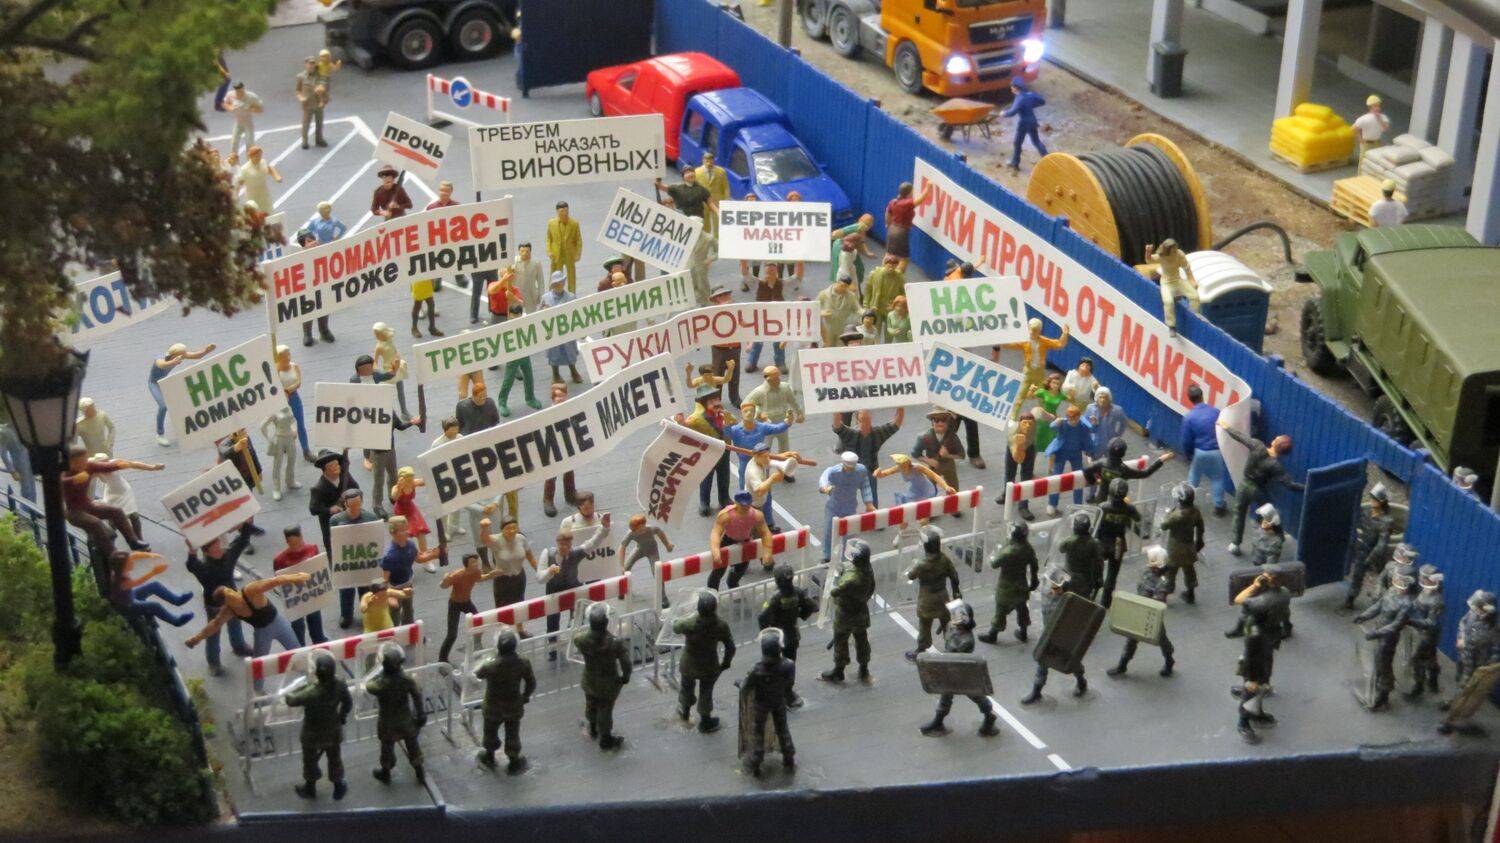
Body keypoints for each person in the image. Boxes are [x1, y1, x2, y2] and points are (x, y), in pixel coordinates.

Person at [185, 572, 310, 682]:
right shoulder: (229, 611)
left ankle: (310, 674)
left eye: (230, 591)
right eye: (229, 596)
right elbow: (215, 624)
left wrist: (297, 577)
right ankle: (257, 691)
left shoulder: (250, 590)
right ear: (225, 603)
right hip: (262, 632)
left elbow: (274, 581)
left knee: (296, 649)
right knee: (258, 664)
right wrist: (197, 638)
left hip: (278, 623)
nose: (233, 594)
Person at [1218, 420, 1304, 555]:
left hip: (1244, 485)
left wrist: (1226, 427)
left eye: (1278, 438)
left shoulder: (1257, 445)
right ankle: (1279, 536)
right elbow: (1290, 485)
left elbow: (1240, 437)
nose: (1276, 437)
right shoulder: (1276, 466)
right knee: (1270, 513)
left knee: (1239, 513)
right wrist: (1306, 487)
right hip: (1258, 490)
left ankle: (1235, 544)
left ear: (1275, 443)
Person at [919, 601, 999, 737]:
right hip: (949, 669)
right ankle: (938, 721)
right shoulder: (951, 626)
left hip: (961, 672)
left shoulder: (967, 640)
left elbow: (957, 655)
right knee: (945, 696)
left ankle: (989, 716)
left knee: (976, 695)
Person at [185, 525, 254, 675]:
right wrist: (191, 551)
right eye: (215, 544)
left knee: (235, 624)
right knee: (213, 632)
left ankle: (239, 646)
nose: (219, 546)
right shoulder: (205, 567)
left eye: (218, 542)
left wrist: (246, 525)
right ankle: (214, 662)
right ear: (207, 551)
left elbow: (242, 541)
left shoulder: (227, 557)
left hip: (232, 600)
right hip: (214, 605)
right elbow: (191, 565)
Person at [62, 446, 159, 552]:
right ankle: (112, 552)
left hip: (88, 506)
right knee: (96, 523)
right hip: (75, 512)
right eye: (80, 462)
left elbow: (105, 467)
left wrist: (119, 465)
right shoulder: (65, 472)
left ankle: (133, 541)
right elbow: (59, 483)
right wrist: (73, 479)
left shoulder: (88, 466)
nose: (84, 463)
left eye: (85, 459)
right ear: (71, 462)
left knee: (116, 511)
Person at [286, 651, 352, 800]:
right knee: (335, 758)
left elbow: (290, 700)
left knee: (310, 760)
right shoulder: (340, 685)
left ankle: (310, 787)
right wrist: (342, 716)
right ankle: (338, 786)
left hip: (312, 734)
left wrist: (301, 686)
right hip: (333, 731)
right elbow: (348, 703)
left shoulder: (311, 691)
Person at [1233, 571, 1290, 744]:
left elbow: (1239, 599)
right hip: (1267, 642)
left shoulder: (1262, 602)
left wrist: (1255, 586)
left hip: (1259, 643)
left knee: (1254, 684)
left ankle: (1248, 718)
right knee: (1256, 683)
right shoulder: (1284, 593)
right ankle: (1246, 719)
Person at [1354, 563, 1418, 711]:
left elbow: (1396, 625)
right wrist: (1364, 616)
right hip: (1379, 629)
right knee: (1378, 661)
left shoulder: (1407, 603)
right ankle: (1380, 684)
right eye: (1397, 578)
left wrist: (1375, 633)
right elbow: (1378, 606)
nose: (1396, 580)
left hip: (1388, 638)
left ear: (1408, 582)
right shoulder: (1391, 591)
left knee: (1384, 664)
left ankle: (1384, 695)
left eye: (1400, 579)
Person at [1021, 565, 1087, 704]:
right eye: (1054, 586)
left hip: (1064, 636)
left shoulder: (1069, 601)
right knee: (1042, 661)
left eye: (1058, 588)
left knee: (1072, 660)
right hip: (1049, 633)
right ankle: (1036, 691)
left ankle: (1081, 681)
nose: (1054, 589)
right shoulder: (1047, 593)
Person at [1107, 546, 1176, 678]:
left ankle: (1169, 660)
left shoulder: (1163, 581)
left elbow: (1159, 601)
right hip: (1140, 610)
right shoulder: (1146, 571)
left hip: (1152, 614)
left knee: (1161, 638)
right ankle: (1122, 665)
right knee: (1131, 639)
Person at [474, 628, 536, 773]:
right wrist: (525, 696)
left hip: (492, 706)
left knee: (490, 731)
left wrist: (487, 658)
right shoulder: (523, 662)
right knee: (512, 733)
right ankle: (514, 760)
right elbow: (531, 683)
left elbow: (478, 673)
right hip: (513, 706)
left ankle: (489, 755)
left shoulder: (490, 665)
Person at [674, 590, 736, 733]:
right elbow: (730, 646)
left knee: (686, 687)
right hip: (709, 664)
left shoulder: (690, 622)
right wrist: (725, 662)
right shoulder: (720, 625)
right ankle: (705, 720)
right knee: (706, 692)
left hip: (689, 662)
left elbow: (676, 627)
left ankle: (685, 711)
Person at [757, 565, 818, 707]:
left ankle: (775, 690)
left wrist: (766, 633)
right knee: (790, 664)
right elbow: (812, 606)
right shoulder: (797, 592)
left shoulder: (776, 597)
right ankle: (788, 692)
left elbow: (762, 617)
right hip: (792, 635)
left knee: (773, 664)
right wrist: (802, 614)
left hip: (776, 637)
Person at [574, 602, 631, 750]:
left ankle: (592, 727)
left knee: (591, 703)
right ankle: (605, 739)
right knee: (605, 710)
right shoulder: (615, 643)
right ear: (606, 623)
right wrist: (625, 677)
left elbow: (576, 637)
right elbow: (626, 663)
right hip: (608, 683)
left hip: (589, 680)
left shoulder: (581, 640)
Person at [367, 645, 427, 784]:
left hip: (387, 723)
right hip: (406, 720)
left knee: (387, 749)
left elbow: (369, 686)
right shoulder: (407, 679)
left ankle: (386, 772)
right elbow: (417, 696)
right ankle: (419, 771)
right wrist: (421, 714)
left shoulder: (381, 683)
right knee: (413, 746)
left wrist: (378, 673)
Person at [821, 537, 876, 683]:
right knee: (861, 639)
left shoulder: (851, 579)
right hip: (861, 611)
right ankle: (864, 669)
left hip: (845, 613)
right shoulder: (867, 569)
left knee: (840, 640)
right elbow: (871, 588)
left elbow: (835, 591)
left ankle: (839, 670)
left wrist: (832, 581)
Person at [743, 630, 797, 776]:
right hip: (778, 701)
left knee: (758, 731)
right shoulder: (788, 665)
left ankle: (756, 758)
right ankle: (788, 755)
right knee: (782, 728)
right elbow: (790, 682)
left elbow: (746, 686)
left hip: (761, 704)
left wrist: (740, 684)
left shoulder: (756, 669)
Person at [538, 524, 607, 637]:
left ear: (571, 544)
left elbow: (593, 543)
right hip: (553, 590)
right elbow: (539, 578)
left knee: (578, 617)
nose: (565, 548)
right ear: (557, 542)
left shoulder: (576, 553)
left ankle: (577, 637)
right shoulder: (548, 554)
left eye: (568, 545)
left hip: (573, 587)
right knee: (552, 622)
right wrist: (549, 572)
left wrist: (604, 528)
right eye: (562, 545)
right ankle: (552, 643)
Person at [906, 526, 962, 659]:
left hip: (927, 600)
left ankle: (921, 649)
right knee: (947, 624)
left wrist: (912, 566)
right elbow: (954, 576)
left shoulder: (921, 564)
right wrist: (956, 592)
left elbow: (910, 576)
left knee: (924, 627)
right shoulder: (944, 559)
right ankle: (952, 646)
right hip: (943, 598)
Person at [979, 521, 1039, 644]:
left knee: (1001, 611)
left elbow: (994, 564)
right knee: (1022, 610)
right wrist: (1034, 580)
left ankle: (993, 634)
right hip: (1021, 585)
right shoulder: (1028, 548)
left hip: (1006, 587)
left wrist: (996, 553)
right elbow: (1034, 565)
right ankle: (1023, 633)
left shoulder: (1008, 552)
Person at [328, 488, 380, 629]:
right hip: (346, 562)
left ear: (361, 502)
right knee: (346, 590)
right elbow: (333, 541)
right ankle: (346, 614)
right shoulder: (335, 520)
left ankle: (367, 612)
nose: (355, 507)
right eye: (351, 505)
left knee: (365, 589)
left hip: (364, 561)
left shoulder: (371, 518)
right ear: (345, 504)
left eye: (357, 504)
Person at [998, 318, 1069, 421]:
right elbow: (1009, 345)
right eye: (1030, 329)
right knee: (1020, 395)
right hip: (1028, 372)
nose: (1031, 332)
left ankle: (1045, 418)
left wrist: (1065, 334)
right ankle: (1013, 417)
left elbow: (1059, 344)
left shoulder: (1044, 341)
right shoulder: (1025, 341)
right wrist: (1000, 338)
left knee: (1043, 397)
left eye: (1035, 330)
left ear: (1039, 331)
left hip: (1040, 373)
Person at [832, 408, 903, 507]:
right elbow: (837, 426)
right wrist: (835, 409)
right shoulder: (852, 434)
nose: (866, 424)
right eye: (863, 420)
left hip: (869, 470)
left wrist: (900, 408)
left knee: (872, 497)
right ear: (858, 421)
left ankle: (873, 511)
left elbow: (896, 424)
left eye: (868, 420)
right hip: (852, 471)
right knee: (845, 495)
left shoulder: (877, 433)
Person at [147, 343, 214, 448]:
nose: (182, 357)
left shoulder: (179, 355)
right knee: (163, 406)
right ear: (173, 354)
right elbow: (161, 364)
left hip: (165, 382)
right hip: (154, 384)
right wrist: (173, 362)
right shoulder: (160, 358)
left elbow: (195, 355)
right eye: (181, 355)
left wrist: (206, 351)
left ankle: (185, 425)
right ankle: (160, 434)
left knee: (183, 399)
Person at [438, 553, 500, 663]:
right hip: (454, 604)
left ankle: (476, 645)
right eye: (473, 562)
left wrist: (490, 575)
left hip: (467, 602)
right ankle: (442, 659)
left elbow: (479, 579)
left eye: (476, 561)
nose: (476, 564)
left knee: (479, 624)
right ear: (466, 564)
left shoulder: (476, 571)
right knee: (452, 635)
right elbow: (443, 586)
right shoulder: (458, 575)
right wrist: (445, 579)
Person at [380, 516, 441, 627]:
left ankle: (408, 630)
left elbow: (418, 558)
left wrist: (433, 555)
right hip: (395, 588)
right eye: (401, 530)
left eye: (406, 529)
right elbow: (384, 580)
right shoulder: (390, 556)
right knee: (394, 614)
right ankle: (393, 633)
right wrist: (389, 595)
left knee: (409, 611)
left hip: (408, 585)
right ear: (393, 532)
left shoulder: (410, 545)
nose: (406, 533)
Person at [106, 551, 194, 626]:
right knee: (155, 606)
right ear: (123, 566)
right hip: (128, 607)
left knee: (155, 585)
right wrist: (154, 572)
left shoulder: (119, 570)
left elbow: (134, 555)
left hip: (130, 596)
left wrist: (149, 555)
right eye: (129, 562)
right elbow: (139, 581)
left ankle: (177, 600)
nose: (132, 562)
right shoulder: (123, 581)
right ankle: (176, 621)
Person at [708, 491, 774, 590]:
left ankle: (733, 584)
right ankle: (711, 591)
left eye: (747, 505)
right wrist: (715, 551)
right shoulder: (725, 515)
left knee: (741, 569)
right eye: (742, 505)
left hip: (745, 542)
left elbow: (765, 533)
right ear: (736, 503)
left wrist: (767, 552)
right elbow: (716, 532)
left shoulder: (756, 515)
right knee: (718, 571)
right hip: (727, 541)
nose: (745, 507)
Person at [273, 525, 327, 645]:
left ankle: (319, 641)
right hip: (295, 597)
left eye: (298, 543)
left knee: (315, 618)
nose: (296, 547)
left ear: (301, 537)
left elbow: (318, 567)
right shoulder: (279, 560)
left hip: (311, 592)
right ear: (287, 542)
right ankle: (299, 645)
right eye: (292, 544)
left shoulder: (312, 549)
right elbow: (278, 579)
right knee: (297, 624)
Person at [1179, 384, 1228, 515]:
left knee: (1194, 476)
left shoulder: (1189, 417)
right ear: (1202, 396)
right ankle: (1219, 506)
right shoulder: (1216, 412)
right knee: (1217, 478)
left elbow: (1186, 440)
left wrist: (1188, 455)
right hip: (1216, 451)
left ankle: (1187, 503)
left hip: (1200, 451)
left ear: (1190, 399)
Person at [683, 387, 732, 516]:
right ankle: (704, 503)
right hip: (708, 453)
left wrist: (729, 421)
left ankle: (724, 499)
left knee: (724, 477)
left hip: (724, 450)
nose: (716, 403)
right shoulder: (697, 418)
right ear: (704, 404)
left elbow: (733, 426)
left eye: (717, 399)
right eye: (711, 401)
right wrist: (680, 421)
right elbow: (685, 426)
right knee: (706, 479)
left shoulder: (723, 414)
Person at [819, 452, 875, 564]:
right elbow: (824, 477)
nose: (850, 469)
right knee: (829, 530)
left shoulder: (861, 471)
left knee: (849, 532)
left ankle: (847, 555)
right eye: (848, 467)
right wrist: (825, 487)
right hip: (834, 506)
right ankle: (827, 554)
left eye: (852, 467)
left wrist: (868, 502)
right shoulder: (834, 471)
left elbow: (865, 486)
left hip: (850, 506)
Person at [1346, 484, 1395, 609]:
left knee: (1380, 577)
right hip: (1361, 548)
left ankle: (1384, 599)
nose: (1372, 501)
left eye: (1375, 499)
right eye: (1372, 498)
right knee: (1357, 574)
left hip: (1372, 554)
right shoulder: (1367, 512)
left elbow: (1381, 545)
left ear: (1382, 502)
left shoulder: (1386, 521)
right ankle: (1351, 597)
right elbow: (1358, 522)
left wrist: (1370, 559)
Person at [479, 518, 539, 623]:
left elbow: (531, 557)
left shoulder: (521, 538)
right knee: (502, 607)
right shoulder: (497, 540)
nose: (511, 531)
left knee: (519, 603)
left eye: (514, 528)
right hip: (502, 579)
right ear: (502, 530)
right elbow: (485, 539)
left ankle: (520, 627)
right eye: (508, 528)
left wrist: (539, 570)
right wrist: (484, 528)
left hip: (519, 576)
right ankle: (503, 628)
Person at [1085, 437, 1173, 505]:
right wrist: (1161, 460)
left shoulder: (1101, 464)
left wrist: (1094, 481)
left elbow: (1087, 470)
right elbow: (1146, 473)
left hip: (1101, 501)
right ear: (1123, 453)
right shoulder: (1124, 470)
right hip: (1118, 504)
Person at [302, 204, 344, 345]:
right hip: (308, 287)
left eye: (312, 241)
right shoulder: (300, 258)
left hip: (322, 283)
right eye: (308, 242)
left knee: (324, 306)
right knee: (308, 310)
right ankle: (307, 334)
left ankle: (324, 330)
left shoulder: (322, 252)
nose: (312, 243)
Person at [366, 412, 421, 518]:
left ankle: (393, 495)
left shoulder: (389, 410)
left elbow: (399, 426)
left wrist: (411, 422)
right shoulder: (371, 411)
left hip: (390, 449)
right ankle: (377, 505)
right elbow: (366, 436)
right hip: (377, 453)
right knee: (379, 480)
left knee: (393, 475)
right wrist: (366, 457)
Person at [1160, 483, 1205, 604]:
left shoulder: (1176, 516)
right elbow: (1200, 526)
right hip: (1189, 546)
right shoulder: (1195, 511)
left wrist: (1168, 513)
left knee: (1170, 571)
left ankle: (1164, 595)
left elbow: (1163, 526)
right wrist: (1199, 540)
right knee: (1189, 570)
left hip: (1175, 548)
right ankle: (1190, 594)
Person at [727, 400, 792, 484]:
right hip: (745, 462)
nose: (749, 413)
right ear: (741, 413)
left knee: (763, 483)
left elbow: (776, 428)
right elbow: (726, 434)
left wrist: (786, 423)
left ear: (754, 413)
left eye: (751, 411)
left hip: (759, 461)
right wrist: (726, 425)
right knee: (745, 483)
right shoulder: (735, 430)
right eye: (745, 411)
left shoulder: (761, 427)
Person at [744, 366, 803, 457]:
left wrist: (799, 412)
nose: (778, 380)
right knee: (766, 446)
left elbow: (792, 401)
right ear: (768, 379)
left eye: (778, 377)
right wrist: (758, 412)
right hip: (767, 423)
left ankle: (784, 462)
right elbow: (746, 404)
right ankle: (765, 463)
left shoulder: (785, 387)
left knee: (784, 444)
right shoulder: (759, 392)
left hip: (783, 420)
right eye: (775, 378)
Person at [1044, 405, 1093, 512]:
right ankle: (1052, 504)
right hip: (1061, 453)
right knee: (1056, 478)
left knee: (1079, 478)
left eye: (1073, 416)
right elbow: (1052, 427)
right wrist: (1056, 422)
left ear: (1078, 416)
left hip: (1076, 453)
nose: (1071, 419)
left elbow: (1088, 435)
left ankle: (1078, 505)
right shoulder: (1063, 423)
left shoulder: (1082, 425)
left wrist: (1089, 450)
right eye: (1068, 416)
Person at [540, 383, 578, 517]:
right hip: (553, 446)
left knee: (569, 470)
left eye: (563, 396)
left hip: (567, 444)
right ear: (553, 398)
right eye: (558, 396)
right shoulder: (547, 414)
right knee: (552, 474)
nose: (561, 399)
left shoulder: (570, 409)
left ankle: (570, 494)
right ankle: (548, 500)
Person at [618, 515, 673, 605]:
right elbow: (622, 547)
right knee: (627, 567)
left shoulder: (650, 529)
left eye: (643, 526)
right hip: (640, 549)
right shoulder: (631, 534)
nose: (642, 530)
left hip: (652, 551)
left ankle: (663, 597)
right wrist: (621, 565)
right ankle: (622, 589)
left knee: (657, 571)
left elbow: (660, 532)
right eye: (639, 529)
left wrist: (667, 545)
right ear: (634, 529)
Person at [1408, 565, 1445, 698]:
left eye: (1424, 577)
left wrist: (1410, 621)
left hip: (1428, 634)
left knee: (1418, 659)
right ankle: (1433, 681)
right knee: (1430, 657)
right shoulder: (1424, 591)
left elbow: (1431, 622)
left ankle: (1419, 686)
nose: (1421, 578)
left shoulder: (1436, 600)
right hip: (1420, 630)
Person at [743, 444, 798, 532]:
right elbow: (759, 490)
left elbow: (770, 460)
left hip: (759, 501)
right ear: (756, 456)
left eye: (768, 455)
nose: (768, 459)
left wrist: (784, 455)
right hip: (754, 505)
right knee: (756, 529)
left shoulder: (759, 460)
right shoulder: (753, 471)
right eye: (765, 456)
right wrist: (772, 479)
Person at [540, 272, 583, 383]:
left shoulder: (571, 297)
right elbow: (538, 315)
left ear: (564, 282)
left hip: (567, 331)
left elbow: (578, 314)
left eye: (560, 282)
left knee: (570, 352)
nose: (558, 285)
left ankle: (573, 371)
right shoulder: (546, 298)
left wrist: (582, 330)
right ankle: (555, 374)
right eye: (555, 283)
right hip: (552, 332)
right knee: (554, 353)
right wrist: (544, 312)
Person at [497, 307, 541, 416]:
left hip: (524, 353)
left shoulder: (525, 323)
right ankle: (502, 402)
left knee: (529, 376)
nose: (516, 317)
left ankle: (530, 398)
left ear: (521, 314)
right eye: (514, 315)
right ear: (509, 314)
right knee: (508, 380)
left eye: (518, 315)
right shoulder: (505, 327)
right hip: (512, 356)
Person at [274, 345, 314, 461]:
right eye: (284, 356)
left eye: (288, 355)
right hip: (281, 400)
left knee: (300, 424)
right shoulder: (275, 370)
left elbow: (298, 383)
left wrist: (287, 390)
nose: (287, 358)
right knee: (283, 425)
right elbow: (275, 386)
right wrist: (282, 392)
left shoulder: (294, 366)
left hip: (293, 397)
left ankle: (306, 450)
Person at [911, 408, 964, 496]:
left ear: (948, 422)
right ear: (932, 422)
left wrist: (948, 455)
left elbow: (961, 455)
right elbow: (915, 453)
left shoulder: (953, 437)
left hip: (949, 465)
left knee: (953, 488)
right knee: (930, 489)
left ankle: (952, 502)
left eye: (943, 420)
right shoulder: (925, 437)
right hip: (933, 467)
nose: (940, 423)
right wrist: (928, 460)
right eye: (936, 420)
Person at [998, 413, 1040, 519]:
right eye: (1025, 423)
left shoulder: (1035, 428)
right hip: (1013, 447)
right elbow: (1017, 457)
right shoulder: (1013, 430)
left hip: (1029, 447)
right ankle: (1007, 494)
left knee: (1026, 477)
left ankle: (1023, 506)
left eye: (1030, 423)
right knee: (1009, 473)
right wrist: (1018, 446)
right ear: (1020, 423)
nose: (1028, 426)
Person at [390, 466, 434, 565]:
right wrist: (399, 487)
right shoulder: (396, 488)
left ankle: (425, 558)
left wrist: (430, 471)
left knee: (421, 532)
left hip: (411, 509)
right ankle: (403, 557)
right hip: (401, 510)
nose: (411, 481)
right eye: (408, 479)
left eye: (411, 478)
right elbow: (394, 497)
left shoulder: (413, 483)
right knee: (403, 535)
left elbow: (425, 481)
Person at [746, 264, 787, 370]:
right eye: (768, 272)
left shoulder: (783, 284)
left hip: (777, 317)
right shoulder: (758, 284)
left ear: (777, 272)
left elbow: (798, 277)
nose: (770, 274)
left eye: (773, 272)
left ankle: (780, 362)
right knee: (757, 339)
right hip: (761, 317)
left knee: (778, 340)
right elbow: (746, 274)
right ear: (765, 273)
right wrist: (743, 261)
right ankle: (752, 361)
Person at [1003, 79, 1047, 172]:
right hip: (1033, 121)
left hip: (1024, 123)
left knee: (1017, 143)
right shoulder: (1030, 95)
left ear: (1016, 88)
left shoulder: (1019, 98)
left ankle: (1015, 163)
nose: (1011, 88)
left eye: (1012, 87)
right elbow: (1042, 101)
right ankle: (1049, 160)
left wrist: (1003, 114)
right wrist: (1030, 105)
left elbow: (1012, 112)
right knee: (1036, 142)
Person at [885, 182, 929, 273]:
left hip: (892, 229)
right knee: (903, 258)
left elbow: (887, 213)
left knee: (889, 254)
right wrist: (928, 187)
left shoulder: (893, 202)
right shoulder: (907, 203)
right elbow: (920, 200)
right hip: (901, 232)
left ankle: (883, 273)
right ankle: (898, 277)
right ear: (909, 193)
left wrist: (888, 225)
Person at [1058, 513, 1104, 600]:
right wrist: (1099, 578)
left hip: (1069, 576)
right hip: (1086, 578)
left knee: (1067, 600)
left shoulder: (1068, 541)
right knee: (1083, 601)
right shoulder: (1094, 543)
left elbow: (1061, 549)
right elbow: (1099, 563)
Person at [372, 322, 411, 417]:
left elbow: (395, 352)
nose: (376, 336)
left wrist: (397, 360)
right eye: (375, 334)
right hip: (387, 371)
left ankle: (404, 411)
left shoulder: (390, 341)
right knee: (386, 392)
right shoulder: (379, 347)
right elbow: (375, 361)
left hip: (396, 367)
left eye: (377, 334)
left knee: (400, 390)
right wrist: (375, 372)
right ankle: (387, 413)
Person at [259, 408, 299, 502]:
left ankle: (290, 481)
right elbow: (263, 426)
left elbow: (293, 421)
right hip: (279, 439)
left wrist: (294, 430)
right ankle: (276, 488)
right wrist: (269, 438)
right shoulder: (274, 410)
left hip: (290, 438)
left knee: (292, 459)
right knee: (277, 463)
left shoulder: (288, 408)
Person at [827, 214, 875, 290]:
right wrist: (833, 235)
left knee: (858, 268)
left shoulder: (862, 230)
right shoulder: (858, 227)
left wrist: (867, 252)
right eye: (867, 222)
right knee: (844, 268)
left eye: (870, 223)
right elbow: (838, 233)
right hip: (842, 248)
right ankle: (841, 286)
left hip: (850, 250)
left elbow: (861, 242)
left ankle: (854, 285)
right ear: (860, 220)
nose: (868, 225)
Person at [546, 201, 582, 293]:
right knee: (555, 274)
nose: (564, 213)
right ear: (557, 211)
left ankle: (572, 293)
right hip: (556, 254)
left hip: (569, 254)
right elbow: (549, 238)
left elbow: (578, 240)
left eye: (566, 210)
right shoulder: (551, 223)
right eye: (562, 211)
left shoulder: (574, 223)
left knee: (571, 275)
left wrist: (578, 254)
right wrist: (549, 251)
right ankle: (553, 292)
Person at [1084, 386, 1128, 461]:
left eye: (1105, 397)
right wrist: (1092, 427)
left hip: (1110, 440)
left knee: (1111, 459)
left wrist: (1118, 435)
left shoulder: (1117, 410)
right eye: (1100, 397)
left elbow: (1124, 422)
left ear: (1109, 399)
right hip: (1096, 441)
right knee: (1095, 460)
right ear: (1096, 398)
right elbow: (1085, 422)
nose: (1103, 400)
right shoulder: (1090, 408)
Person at [817, 274, 861, 349]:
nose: (843, 288)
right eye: (842, 285)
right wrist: (821, 313)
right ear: (837, 283)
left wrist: (864, 313)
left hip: (842, 326)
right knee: (827, 346)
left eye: (846, 287)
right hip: (828, 326)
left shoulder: (850, 296)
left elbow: (858, 309)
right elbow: (814, 307)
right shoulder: (824, 294)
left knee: (841, 346)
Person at [295, 56, 328, 149]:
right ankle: (304, 141)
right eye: (309, 64)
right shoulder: (301, 77)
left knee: (319, 123)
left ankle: (319, 139)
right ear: (305, 65)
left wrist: (324, 97)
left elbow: (324, 87)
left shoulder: (320, 75)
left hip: (318, 103)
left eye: (313, 64)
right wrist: (301, 98)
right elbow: (298, 90)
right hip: (307, 104)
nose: (311, 66)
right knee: (306, 124)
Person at [695, 151, 730, 236]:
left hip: (717, 201)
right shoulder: (697, 172)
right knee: (705, 222)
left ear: (713, 161)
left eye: (711, 161)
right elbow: (695, 188)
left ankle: (717, 240)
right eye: (706, 161)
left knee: (718, 222)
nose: (709, 163)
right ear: (703, 160)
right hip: (703, 202)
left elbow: (726, 187)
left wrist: (726, 200)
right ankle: (707, 239)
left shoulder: (721, 171)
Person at [225, 81, 263, 157]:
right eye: (237, 90)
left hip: (248, 122)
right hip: (238, 122)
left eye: (240, 89)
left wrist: (249, 109)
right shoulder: (230, 95)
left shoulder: (251, 97)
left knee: (249, 143)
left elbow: (260, 109)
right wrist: (231, 108)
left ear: (243, 88)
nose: (239, 92)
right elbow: (226, 103)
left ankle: (250, 160)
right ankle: (234, 161)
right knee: (234, 142)